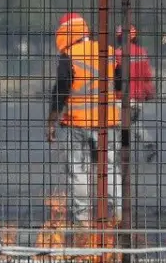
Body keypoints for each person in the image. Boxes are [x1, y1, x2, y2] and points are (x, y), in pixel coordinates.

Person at [46, 13, 125, 226]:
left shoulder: (69, 56)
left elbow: (60, 91)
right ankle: (119, 216)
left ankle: (83, 221)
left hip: (77, 123)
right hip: (108, 123)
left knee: (78, 170)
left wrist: (51, 122)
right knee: (109, 168)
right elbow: (119, 84)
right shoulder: (109, 52)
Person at [115, 25, 158, 161]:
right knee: (132, 122)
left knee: (119, 124)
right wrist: (149, 93)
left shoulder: (118, 54)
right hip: (138, 97)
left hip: (122, 97)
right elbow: (147, 75)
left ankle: (118, 152)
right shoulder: (142, 52)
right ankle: (148, 144)